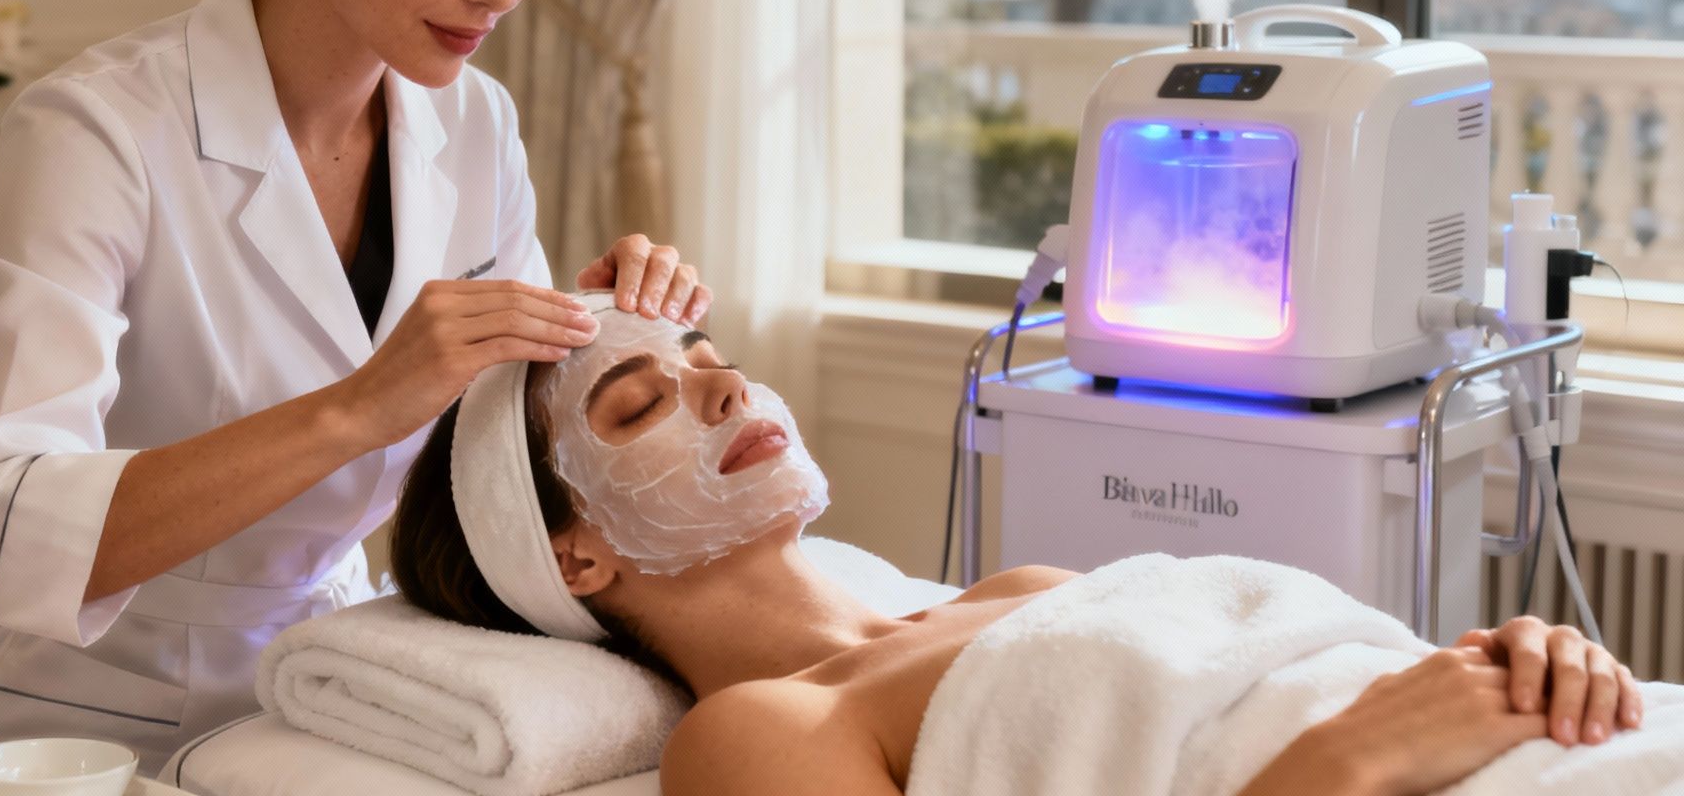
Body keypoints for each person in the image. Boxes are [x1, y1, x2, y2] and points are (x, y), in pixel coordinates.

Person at [0, 0, 712, 772]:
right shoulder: (99, 130)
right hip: (82, 734)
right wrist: (355, 410)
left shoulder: (473, 123)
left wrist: (607, 331)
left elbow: (501, 448)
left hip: (338, 698)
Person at [390, 297, 1653, 796]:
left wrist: (1514, 659)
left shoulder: (1018, 590)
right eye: (638, 405)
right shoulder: (756, 733)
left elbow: (1292, 670)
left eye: (709, 358)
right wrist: (1344, 762)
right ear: (577, 559)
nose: (724, 388)